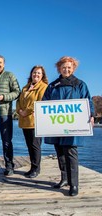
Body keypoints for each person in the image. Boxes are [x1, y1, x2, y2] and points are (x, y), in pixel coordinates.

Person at [43, 56, 94, 196]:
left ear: (73, 68)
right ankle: (64, 179)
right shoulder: (52, 85)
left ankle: (74, 185)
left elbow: (87, 101)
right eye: (63, 67)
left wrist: (92, 114)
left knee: (71, 153)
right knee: (60, 153)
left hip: (73, 124)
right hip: (55, 124)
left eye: (69, 67)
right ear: (59, 68)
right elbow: (44, 102)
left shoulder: (80, 84)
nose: (66, 69)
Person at [16, 65, 48, 178]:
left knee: (35, 146)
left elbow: (39, 102)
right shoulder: (25, 87)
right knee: (29, 146)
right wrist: (19, 110)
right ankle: (32, 167)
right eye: (34, 72)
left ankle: (36, 168)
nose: (36, 75)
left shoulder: (43, 87)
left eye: (39, 73)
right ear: (31, 74)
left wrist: (27, 111)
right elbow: (18, 101)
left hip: (35, 122)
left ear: (42, 75)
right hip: (25, 122)